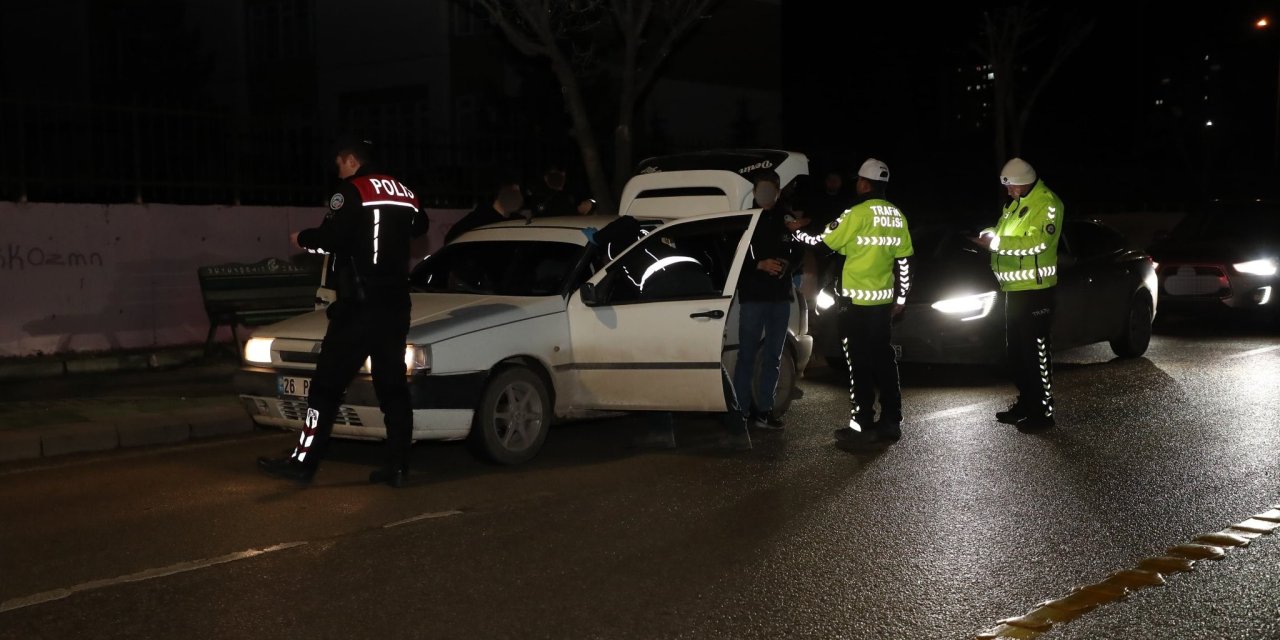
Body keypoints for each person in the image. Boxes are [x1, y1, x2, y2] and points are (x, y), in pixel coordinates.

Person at [258, 136, 428, 487]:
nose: (337, 169)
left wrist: (303, 238)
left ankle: (303, 463)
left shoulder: (351, 191)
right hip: (396, 303)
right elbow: (420, 227)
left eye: (338, 162)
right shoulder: (404, 191)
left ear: (351, 159)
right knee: (392, 387)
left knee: (325, 388)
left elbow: (332, 239)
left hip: (359, 306)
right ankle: (398, 466)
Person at [583, 215, 753, 451]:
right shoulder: (652, 240)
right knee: (706, 364)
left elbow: (627, 225)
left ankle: (662, 432)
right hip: (698, 285)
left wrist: (598, 239)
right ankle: (737, 431)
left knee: (654, 365)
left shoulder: (618, 248)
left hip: (668, 289)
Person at [789, 158, 913, 445]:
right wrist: (902, 297)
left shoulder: (855, 214)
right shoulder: (897, 215)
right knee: (884, 359)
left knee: (858, 363)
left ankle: (862, 425)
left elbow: (822, 242)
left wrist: (796, 232)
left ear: (864, 183)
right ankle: (892, 421)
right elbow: (905, 260)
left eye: (857, 180)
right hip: (883, 303)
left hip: (855, 303)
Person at [969, 158, 1063, 431]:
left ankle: (1043, 413)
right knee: (1017, 355)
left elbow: (1037, 242)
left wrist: (995, 243)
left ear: (1025, 181)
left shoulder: (1047, 203)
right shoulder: (1015, 205)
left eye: (1011, 186)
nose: (1008, 192)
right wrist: (989, 234)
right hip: (1013, 289)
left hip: (1037, 290)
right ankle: (1026, 403)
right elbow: (1002, 232)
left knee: (1036, 353)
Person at [733, 169, 803, 431]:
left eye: (771, 189)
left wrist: (788, 264)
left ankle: (765, 411)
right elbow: (733, 257)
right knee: (747, 356)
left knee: (773, 357)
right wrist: (758, 264)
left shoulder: (785, 219)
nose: (765, 194)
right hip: (752, 297)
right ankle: (740, 412)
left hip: (779, 298)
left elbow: (799, 250)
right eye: (761, 189)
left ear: (777, 191)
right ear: (754, 191)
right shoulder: (745, 219)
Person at [445, 180, 525, 244]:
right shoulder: (478, 220)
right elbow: (451, 240)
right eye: (514, 190)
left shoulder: (518, 221)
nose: (518, 196)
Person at [527, 164, 593, 217]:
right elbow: (539, 213)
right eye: (553, 176)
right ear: (545, 178)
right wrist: (577, 210)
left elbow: (591, 199)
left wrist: (590, 203)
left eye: (560, 174)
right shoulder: (540, 195)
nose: (556, 178)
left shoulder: (572, 189)